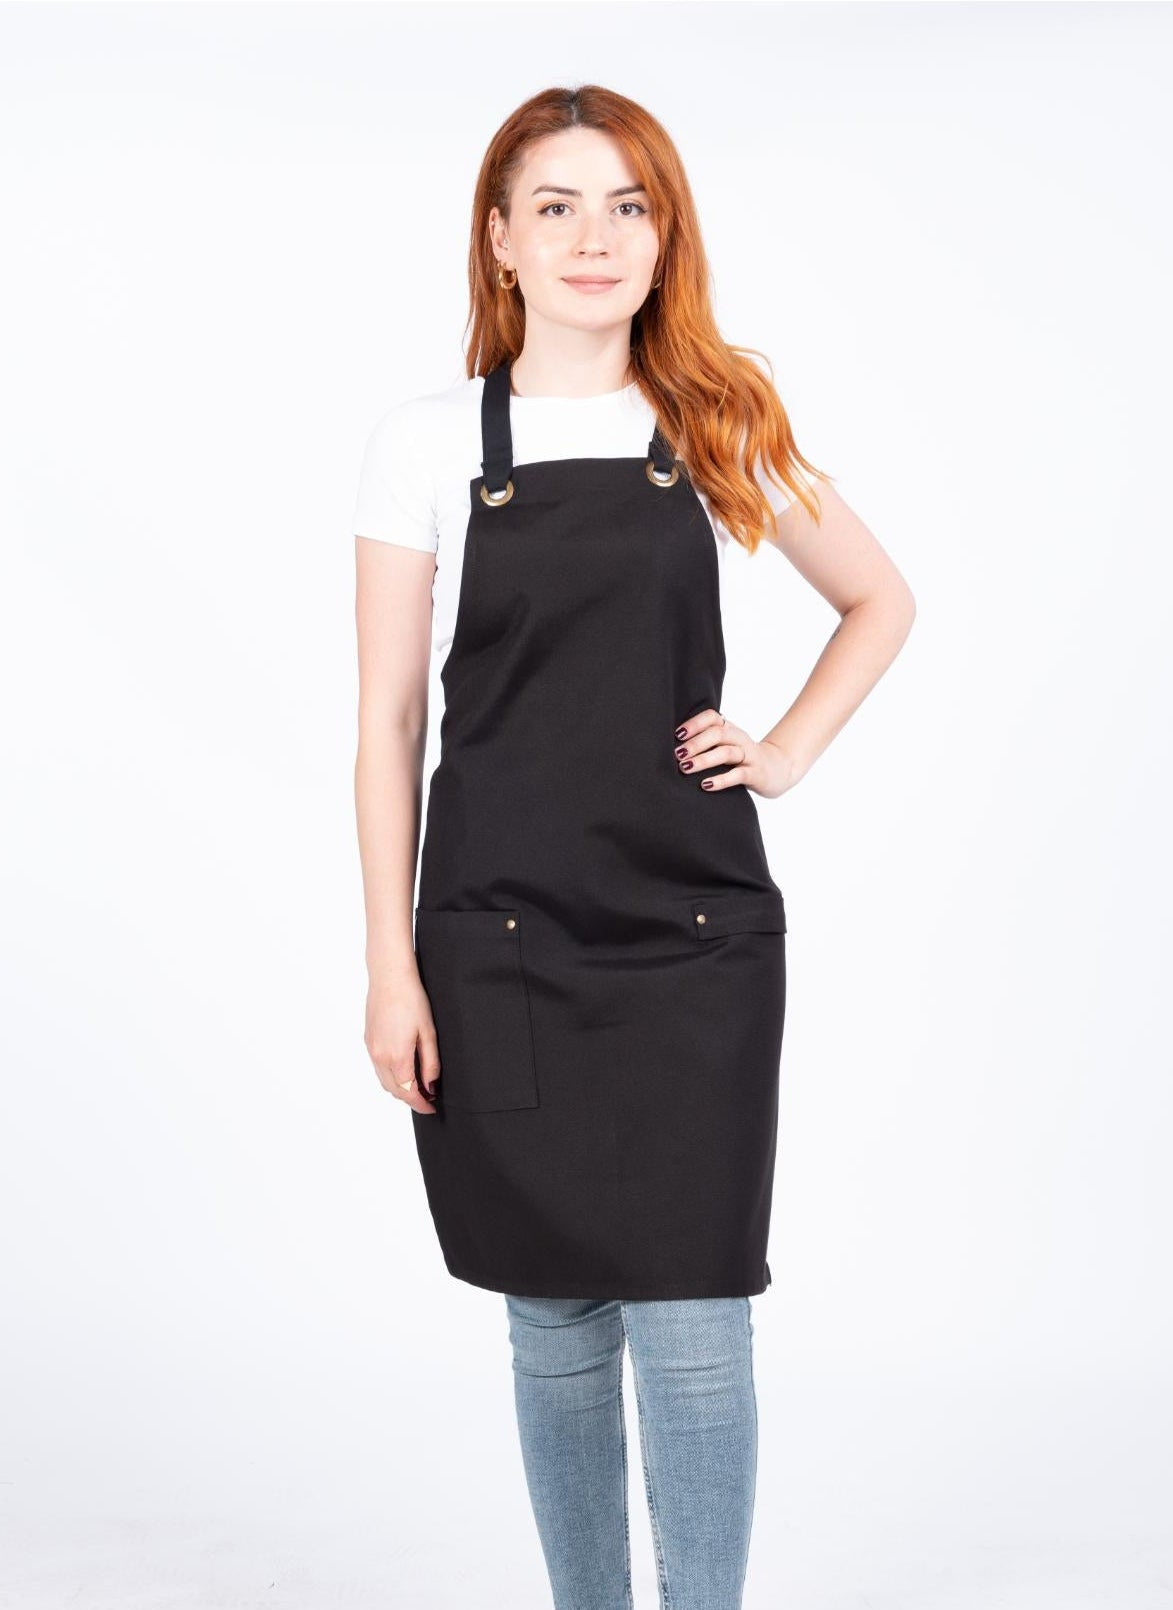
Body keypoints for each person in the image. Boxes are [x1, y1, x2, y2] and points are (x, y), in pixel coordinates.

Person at [352, 84, 915, 1610]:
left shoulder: (712, 418)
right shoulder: (424, 443)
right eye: (556, 206)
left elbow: (879, 599)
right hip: (497, 937)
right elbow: (388, 724)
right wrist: (391, 966)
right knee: (549, 1317)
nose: (592, 237)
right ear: (500, 238)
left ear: (664, 238)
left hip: (691, 936)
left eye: (627, 206)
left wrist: (783, 748)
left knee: (696, 1317)